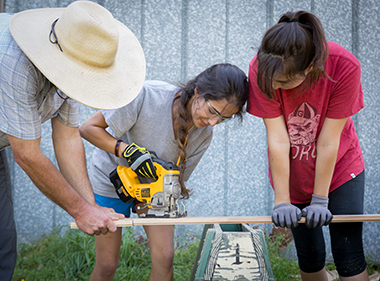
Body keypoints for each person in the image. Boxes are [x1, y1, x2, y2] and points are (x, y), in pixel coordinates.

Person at [0, 1, 146, 279]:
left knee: (2, 240)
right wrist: (79, 210)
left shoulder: (72, 64)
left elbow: (67, 137)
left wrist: (90, 205)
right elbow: (27, 155)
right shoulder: (11, 61)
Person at [79, 63, 249, 281]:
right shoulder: (148, 96)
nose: (213, 123)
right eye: (212, 111)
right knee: (108, 263)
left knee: (165, 258)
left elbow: (175, 183)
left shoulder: (204, 134)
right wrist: (127, 150)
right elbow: (87, 128)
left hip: (155, 187)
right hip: (114, 179)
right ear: (197, 90)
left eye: (223, 119)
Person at [247, 10, 368, 281]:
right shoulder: (261, 68)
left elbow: (328, 140)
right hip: (293, 172)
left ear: (310, 66)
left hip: (339, 168)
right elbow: (277, 138)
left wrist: (320, 200)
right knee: (310, 257)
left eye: (283, 83)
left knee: (348, 254)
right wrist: (281, 202)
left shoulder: (343, 65)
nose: (274, 86)